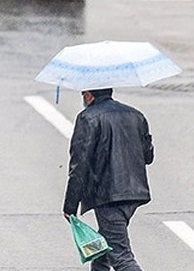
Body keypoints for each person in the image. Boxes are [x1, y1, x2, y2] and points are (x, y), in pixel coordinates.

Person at [62, 88, 154, 271]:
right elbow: (148, 156)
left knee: (121, 256)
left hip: (107, 195)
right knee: (105, 246)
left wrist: (70, 206)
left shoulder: (88, 118)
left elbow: (79, 165)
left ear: (89, 95)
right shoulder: (136, 115)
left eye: (83, 94)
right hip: (135, 192)